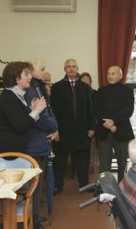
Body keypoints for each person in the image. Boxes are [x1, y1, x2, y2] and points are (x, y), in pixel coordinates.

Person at [51, 59, 95, 193]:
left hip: (81, 131)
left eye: (73, 67)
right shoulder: (57, 87)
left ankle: (84, 184)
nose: (71, 69)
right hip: (62, 131)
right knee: (60, 161)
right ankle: (58, 186)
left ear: (77, 69)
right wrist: (55, 130)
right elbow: (53, 111)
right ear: (64, 69)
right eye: (68, 67)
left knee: (82, 160)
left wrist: (91, 127)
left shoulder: (85, 87)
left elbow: (90, 109)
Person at [24, 60, 58, 228]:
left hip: (41, 142)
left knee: (38, 184)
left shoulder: (38, 87)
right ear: (31, 70)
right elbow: (40, 117)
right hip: (35, 143)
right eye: (42, 69)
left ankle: (35, 215)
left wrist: (54, 126)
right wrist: (53, 127)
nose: (45, 72)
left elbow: (48, 111)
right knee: (33, 185)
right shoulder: (31, 91)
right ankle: (31, 218)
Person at [0, 62, 47, 154]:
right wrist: (36, 111)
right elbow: (20, 126)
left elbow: (21, 120)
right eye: (26, 74)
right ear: (17, 78)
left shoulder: (15, 95)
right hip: (9, 152)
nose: (30, 77)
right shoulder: (9, 97)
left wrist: (31, 110)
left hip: (16, 150)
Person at [95, 65, 134, 182]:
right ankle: (104, 187)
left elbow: (128, 110)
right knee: (104, 164)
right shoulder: (101, 91)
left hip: (121, 130)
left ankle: (123, 187)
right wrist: (108, 124)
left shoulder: (127, 90)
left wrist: (114, 122)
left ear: (120, 76)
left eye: (113, 73)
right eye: (108, 73)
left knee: (122, 163)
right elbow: (97, 110)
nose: (110, 76)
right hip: (104, 130)